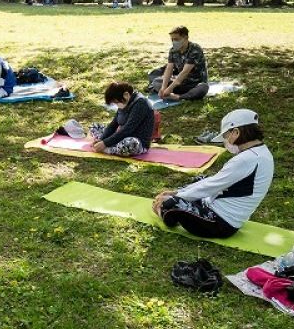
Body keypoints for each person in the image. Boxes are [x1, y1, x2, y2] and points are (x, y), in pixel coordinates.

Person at [152, 109, 273, 238]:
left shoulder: (247, 159)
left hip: (220, 223)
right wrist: (177, 193)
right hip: (217, 207)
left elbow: (211, 186)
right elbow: (214, 182)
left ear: (236, 132)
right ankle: (180, 199)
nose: (225, 141)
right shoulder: (260, 152)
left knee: (169, 205)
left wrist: (176, 197)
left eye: (226, 136)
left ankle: (163, 212)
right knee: (200, 179)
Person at [91, 82, 155, 157]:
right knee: (94, 126)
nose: (116, 105)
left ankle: (107, 149)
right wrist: (102, 139)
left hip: (136, 142)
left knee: (130, 143)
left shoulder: (141, 103)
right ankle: (108, 146)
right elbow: (113, 125)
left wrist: (105, 143)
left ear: (126, 95)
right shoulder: (124, 103)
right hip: (120, 137)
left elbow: (127, 129)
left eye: (116, 102)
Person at [148, 26, 209, 101]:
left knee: (203, 88)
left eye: (176, 39)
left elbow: (184, 72)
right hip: (180, 83)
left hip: (194, 84)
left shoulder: (195, 49)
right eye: (172, 39)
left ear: (185, 38)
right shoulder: (173, 50)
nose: (174, 42)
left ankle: (178, 97)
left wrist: (170, 88)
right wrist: (163, 88)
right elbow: (169, 68)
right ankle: (172, 94)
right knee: (156, 81)